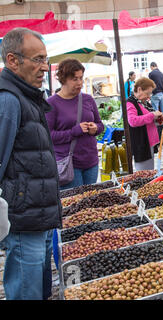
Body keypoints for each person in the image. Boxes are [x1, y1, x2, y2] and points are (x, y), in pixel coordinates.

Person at [0, 27, 62, 300]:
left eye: (45, 59)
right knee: (26, 291)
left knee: (36, 287)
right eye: (37, 59)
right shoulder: (9, 101)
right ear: (13, 60)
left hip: (37, 215)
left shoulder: (27, 97)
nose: (45, 67)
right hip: (24, 217)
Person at [46, 58, 104, 190]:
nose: (79, 83)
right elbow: (48, 136)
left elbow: (100, 125)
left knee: (91, 203)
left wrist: (95, 129)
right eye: (75, 79)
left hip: (91, 161)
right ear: (63, 79)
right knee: (75, 205)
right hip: (69, 164)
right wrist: (73, 132)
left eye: (81, 78)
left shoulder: (88, 99)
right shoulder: (51, 103)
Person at [127, 77, 163, 171]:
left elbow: (151, 117)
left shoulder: (143, 103)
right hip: (141, 144)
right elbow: (132, 121)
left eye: (150, 94)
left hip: (148, 143)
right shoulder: (130, 103)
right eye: (147, 93)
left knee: (150, 171)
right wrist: (152, 115)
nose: (149, 96)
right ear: (139, 89)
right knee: (145, 173)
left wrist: (161, 119)